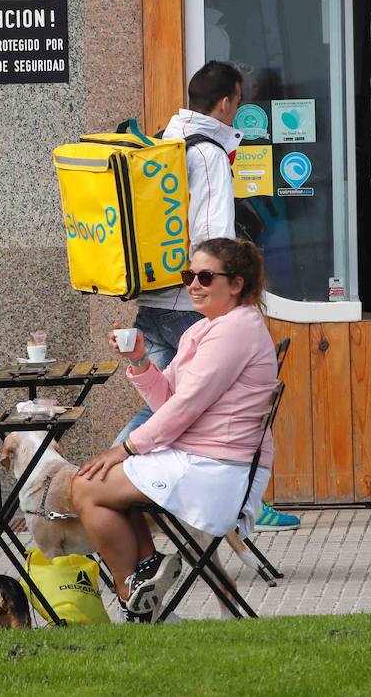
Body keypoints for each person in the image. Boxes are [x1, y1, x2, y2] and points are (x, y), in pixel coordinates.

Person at [120, 59, 299, 532]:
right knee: (189, 400)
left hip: (157, 297)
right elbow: (214, 239)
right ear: (225, 103)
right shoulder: (209, 155)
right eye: (238, 103)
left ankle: (108, 486)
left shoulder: (165, 141)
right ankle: (107, 480)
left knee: (160, 398)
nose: (237, 111)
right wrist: (229, 294)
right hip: (191, 302)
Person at [74, 238, 278, 621]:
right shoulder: (205, 330)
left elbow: (185, 408)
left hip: (217, 470)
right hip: (198, 458)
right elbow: (168, 400)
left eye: (204, 276)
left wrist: (127, 449)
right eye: (188, 276)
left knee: (87, 486)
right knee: (98, 485)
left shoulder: (235, 330)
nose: (193, 285)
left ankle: (134, 599)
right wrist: (138, 362)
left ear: (235, 284)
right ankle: (146, 578)